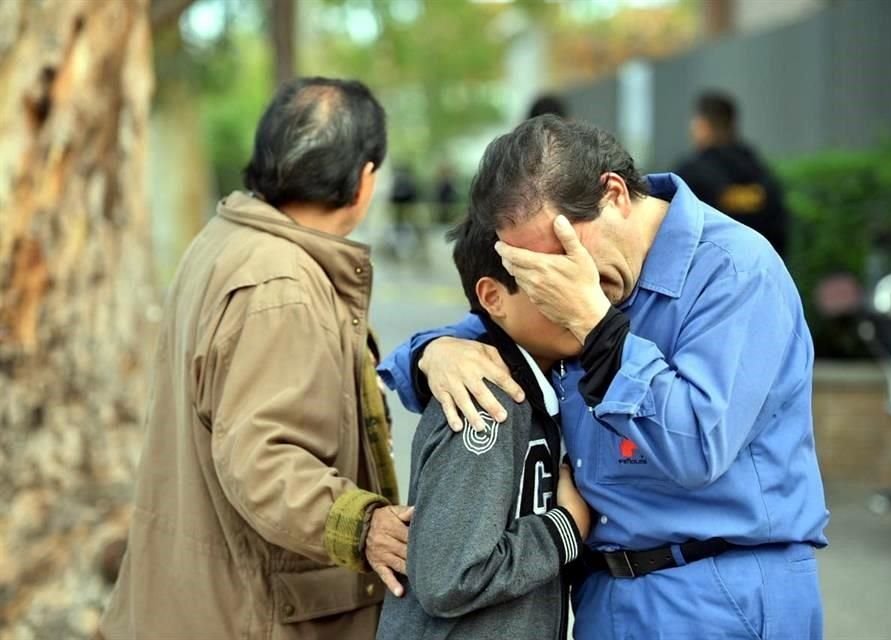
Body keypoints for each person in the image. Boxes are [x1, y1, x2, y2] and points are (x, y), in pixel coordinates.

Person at [379, 115, 829, 639]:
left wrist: (596, 325)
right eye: (534, 274)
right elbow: (462, 346)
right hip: (602, 596)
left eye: (562, 258)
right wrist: (434, 351)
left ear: (613, 194)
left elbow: (696, 447)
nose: (556, 286)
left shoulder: (734, 272)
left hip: (718, 592)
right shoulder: (565, 285)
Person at [100, 77, 411, 640]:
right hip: (245, 617)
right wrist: (361, 525)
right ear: (365, 181)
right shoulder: (281, 285)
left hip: (193, 604)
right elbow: (263, 459)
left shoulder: (225, 241)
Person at [376, 217, 590, 640]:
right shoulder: (486, 397)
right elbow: (449, 577)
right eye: (550, 278)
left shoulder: (540, 388)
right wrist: (565, 527)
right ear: (493, 296)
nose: (579, 295)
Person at [675, 90, 791, 258]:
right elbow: (780, 231)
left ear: (703, 126)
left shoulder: (690, 174)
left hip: (711, 271)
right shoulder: (759, 171)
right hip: (761, 267)